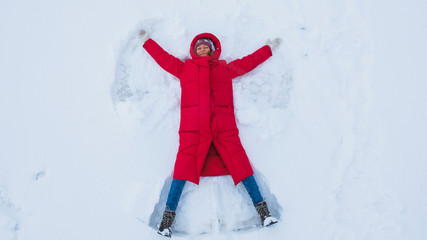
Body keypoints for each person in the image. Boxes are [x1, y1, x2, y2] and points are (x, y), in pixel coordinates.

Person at [139, 30, 281, 237]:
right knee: (181, 172)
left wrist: (267, 49)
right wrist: (147, 42)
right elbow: (164, 59)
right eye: (199, 47)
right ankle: (166, 222)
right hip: (193, 132)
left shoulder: (224, 69)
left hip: (224, 130)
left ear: (213, 50)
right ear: (194, 51)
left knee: (242, 167)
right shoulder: (185, 68)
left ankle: (264, 212)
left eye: (206, 46)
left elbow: (249, 62)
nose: (203, 48)